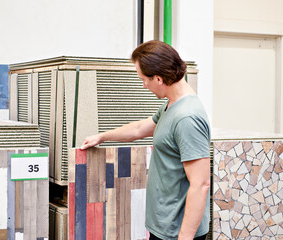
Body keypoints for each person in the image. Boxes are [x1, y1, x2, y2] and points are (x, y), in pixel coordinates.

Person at [81, 40, 210, 240]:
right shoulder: (172, 106)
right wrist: (102, 137)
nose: (143, 86)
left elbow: (200, 184)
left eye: (144, 80)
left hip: (176, 232)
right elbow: (140, 128)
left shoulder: (187, 118)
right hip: (164, 226)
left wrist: (185, 237)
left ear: (158, 78)